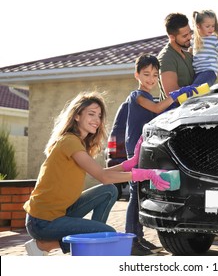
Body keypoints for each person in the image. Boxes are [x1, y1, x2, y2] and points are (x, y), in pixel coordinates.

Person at [23, 91, 171, 256]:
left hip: (59, 213)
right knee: (107, 232)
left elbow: (101, 174)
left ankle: (90, 245)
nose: (96, 120)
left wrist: (126, 165)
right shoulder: (69, 141)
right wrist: (145, 174)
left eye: (99, 116)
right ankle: (45, 245)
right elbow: (103, 176)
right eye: (91, 114)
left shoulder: (77, 142)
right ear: (77, 116)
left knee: (109, 191)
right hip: (42, 221)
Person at [124, 53, 197, 255]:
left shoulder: (151, 97)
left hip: (145, 147)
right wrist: (174, 95)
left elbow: (162, 111)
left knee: (141, 193)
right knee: (135, 193)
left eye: (155, 75)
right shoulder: (137, 96)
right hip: (135, 151)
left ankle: (138, 237)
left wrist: (180, 100)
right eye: (146, 74)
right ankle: (131, 239)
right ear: (136, 74)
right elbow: (157, 109)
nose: (151, 79)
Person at [157, 12, 195, 102]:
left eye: (190, 33)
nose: (190, 37)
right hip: (175, 114)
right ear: (172, 37)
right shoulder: (166, 58)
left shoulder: (188, 55)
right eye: (185, 36)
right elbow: (172, 94)